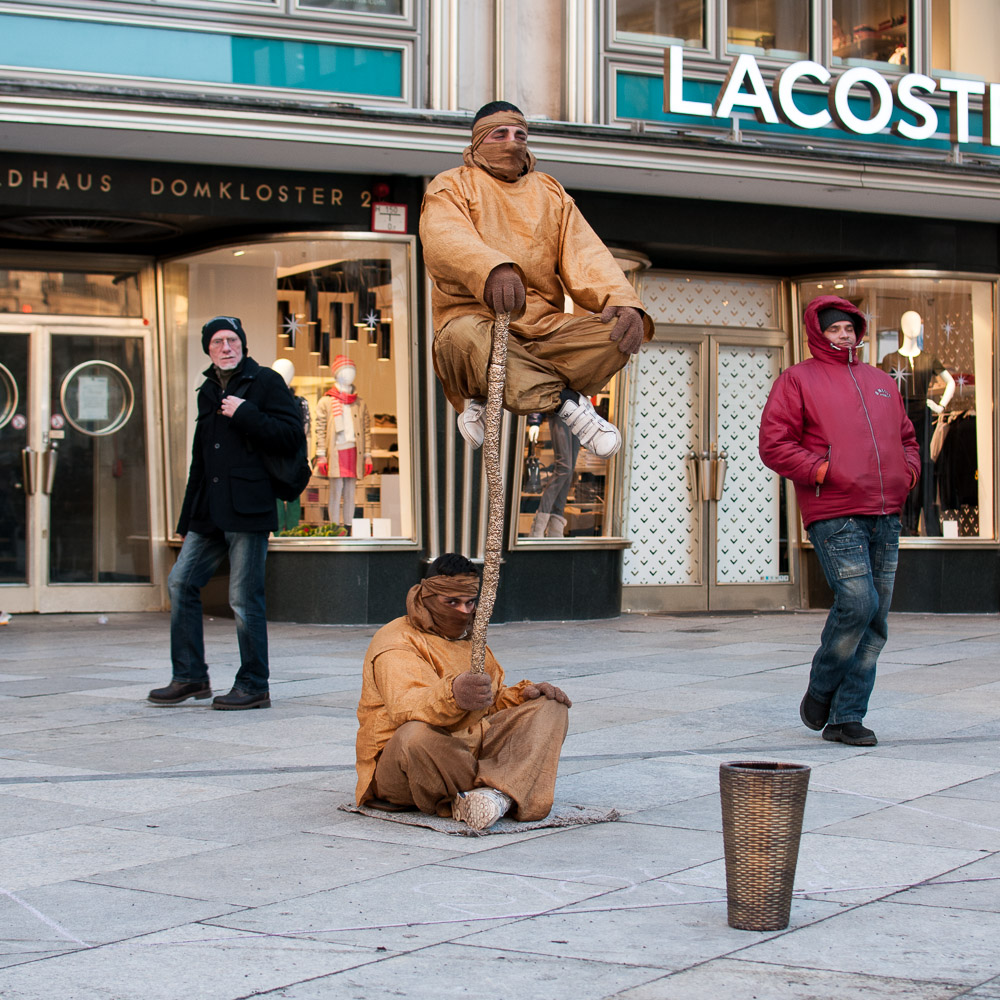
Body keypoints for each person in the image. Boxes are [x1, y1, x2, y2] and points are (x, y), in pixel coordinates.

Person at [419, 101, 653, 460]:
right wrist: (493, 268)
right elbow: (445, 239)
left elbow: (585, 251)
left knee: (614, 334)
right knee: (470, 336)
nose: (512, 143)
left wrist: (621, 299)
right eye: (500, 134)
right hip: (472, 325)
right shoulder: (450, 186)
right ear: (479, 140)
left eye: (520, 135)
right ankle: (568, 405)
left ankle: (496, 393)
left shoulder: (549, 191)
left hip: (543, 330)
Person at [758, 296, 920, 746]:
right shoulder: (798, 379)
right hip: (835, 511)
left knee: (877, 620)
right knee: (858, 603)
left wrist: (907, 473)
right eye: (835, 329)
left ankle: (847, 717)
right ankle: (823, 684)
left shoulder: (881, 381)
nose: (844, 335)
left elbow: (908, 438)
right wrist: (823, 472)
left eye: (850, 328)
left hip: (886, 513)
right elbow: (774, 444)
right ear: (818, 333)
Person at [148, 316, 302, 711]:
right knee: (181, 582)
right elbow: (199, 461)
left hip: (248, 510)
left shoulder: (265, 381)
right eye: (218, 342)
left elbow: (291, 436)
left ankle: (254, 684)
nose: (226, 347)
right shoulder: (207, 390)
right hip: (208, 512)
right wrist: (186, 522)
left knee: (243, 599)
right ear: (208, 349)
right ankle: (189, 676)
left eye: (232, 340)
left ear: (243, 344)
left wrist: (247, 413)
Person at [355, 553, 572, 832]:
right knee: (415, 736)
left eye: (470, 603)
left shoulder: (470, 637)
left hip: (470, 751)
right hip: (408, 765)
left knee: (551, 708)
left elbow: (489, 701)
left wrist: (523, 695)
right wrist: (454, 693)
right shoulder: (396, 641)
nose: (463, 611)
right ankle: (505, 788)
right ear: (427, 598)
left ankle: (492, 795)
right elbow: (405, 706)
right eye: (452, 603)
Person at [314, 355, 372, 531]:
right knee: (335, 490)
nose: (349, 375)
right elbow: (320, 430)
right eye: (345, 371)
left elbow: (366, 430)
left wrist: (368, 455)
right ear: (336, 373)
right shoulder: (326, 401)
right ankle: (333, 526)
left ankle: (348, 526)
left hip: (354, 451)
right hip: (336, 451)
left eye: (352, 371)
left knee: (350, 492)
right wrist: (321, 455)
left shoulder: (360, 403)